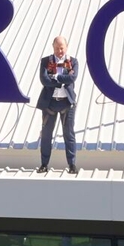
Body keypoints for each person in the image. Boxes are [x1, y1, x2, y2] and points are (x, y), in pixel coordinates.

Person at [34, 35, 78, 174]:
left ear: (66, 47)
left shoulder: (72, 61)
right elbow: (44, 80)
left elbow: (72, 77)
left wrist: (56, 77)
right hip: (50, 103)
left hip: (67, 102)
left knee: (69, 134)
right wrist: (62, 81)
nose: (60, 51)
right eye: (57, 48)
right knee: (46, 134)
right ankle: (44, 164)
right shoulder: (46, 61)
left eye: (62, 48)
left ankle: (72, 164)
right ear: (53, 47)